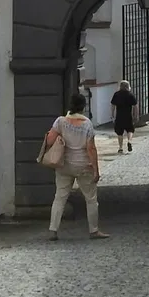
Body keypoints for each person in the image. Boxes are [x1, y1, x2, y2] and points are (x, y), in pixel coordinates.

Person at [45, 92, 108, 240]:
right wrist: (96, 170)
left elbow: (49, 141)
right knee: (91, 198)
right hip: (83, 166)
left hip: (64, 165)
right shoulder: (87, 124)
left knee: (59, 197)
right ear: (83, 107)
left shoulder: (60, 121)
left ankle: (53, 229)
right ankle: (94, 230)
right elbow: (91, 149)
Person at [110, 79, 138, 153]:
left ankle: (120, 147)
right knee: (130, 130)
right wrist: (136, 115)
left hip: (119, 116)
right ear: (128, 86)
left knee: (119, 132)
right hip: (128, 115)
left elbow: (113, 105)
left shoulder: (116, 94)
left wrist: (112, 114)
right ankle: (129, 141)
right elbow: (135, 106)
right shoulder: (130, 95)